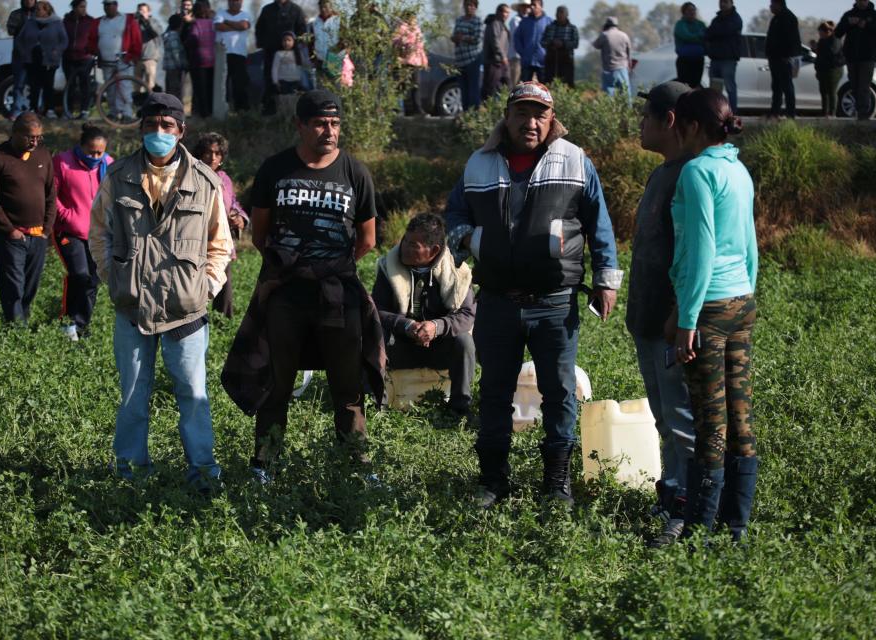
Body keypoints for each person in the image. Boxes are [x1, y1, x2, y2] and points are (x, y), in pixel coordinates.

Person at [445, 81, 623, 508]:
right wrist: (470, 239)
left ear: (551, 118)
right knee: (495, 393)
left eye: (540, 114)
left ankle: (556, 483)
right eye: (522, 113)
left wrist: (606, 279)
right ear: (507, 117)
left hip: (554, 301)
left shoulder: (575, 160)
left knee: (560, 393)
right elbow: (454, 212)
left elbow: (599, 223)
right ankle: (492, 481)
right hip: (498, 301)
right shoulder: (479, 164)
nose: (531, 122)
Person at [221, 90, 385, 484]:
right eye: (319, 123)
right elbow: (260, 235)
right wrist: (293, 267)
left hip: (337, 295)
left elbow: (367, 240)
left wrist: (328, 267)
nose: (329, 131)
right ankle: (265, 464)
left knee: (347, 387)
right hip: (285, 294)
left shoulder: (355, 172)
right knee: (276, 384)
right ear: (300, 125)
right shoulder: (276, 169)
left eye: (334, 123)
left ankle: (354, 466)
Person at [88, 93, 233, 487]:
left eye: (167, 126)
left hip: (186, 312)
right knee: (133, 396)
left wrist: (205, 287)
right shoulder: (118, 177)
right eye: (151, 125)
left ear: (181, 131)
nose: (158, 133)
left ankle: (202, 472)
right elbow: (98, 233)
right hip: (132, 308)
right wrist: (114, 278)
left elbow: (220, 244)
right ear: (141, 129)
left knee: (193, 394)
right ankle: (131, 472)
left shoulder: (205, 181)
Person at [669, 88, 758, 542]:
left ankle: (700, 532)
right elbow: (749, 243)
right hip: (741, 300)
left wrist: (688, 319)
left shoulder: (698, 171)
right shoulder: (737, 169)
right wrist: (748, 291)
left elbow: (701, 248)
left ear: (690, 127)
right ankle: (735, 526)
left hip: (708, 309)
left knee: (710, 421)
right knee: (739, 416)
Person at [627, 81, 697, 547]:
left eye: (646, 116)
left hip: (671, 328)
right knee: (663, 420)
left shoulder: (690, 176)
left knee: (681, 422)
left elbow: (695, 257)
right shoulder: (661, 173)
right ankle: (671, 495)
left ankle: (686, 512)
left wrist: (679, 318)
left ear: (669, 120)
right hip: (648, 324)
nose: (640, 124)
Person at [373, 214, 476, 418]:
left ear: (434, 250)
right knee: (373, 335)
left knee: (464, 341)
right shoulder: (388, 266)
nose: (405, 247)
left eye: (413, 245)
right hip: (400, 347)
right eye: (405, 241)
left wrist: (436, 327)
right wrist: (406, 325)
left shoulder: (458, 271)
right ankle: (376, 405)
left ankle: (459, 408)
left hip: (441, 349)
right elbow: (377, 308)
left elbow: (467, 314)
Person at [0, 112, 56, 323]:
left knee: (31, 285)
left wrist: (46, 230)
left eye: (38, 137)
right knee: (13, 285)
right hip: (12, 236)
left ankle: (22, 323)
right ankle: (15, 329)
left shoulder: (43, 155)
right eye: (30, 137)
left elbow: (51, 193)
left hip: (38, 235)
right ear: (15, 134)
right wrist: (10, 230)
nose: (35, 141)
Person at [52, 124, 113, 340]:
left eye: (100, 152)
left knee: (93, 280)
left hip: (97, 233)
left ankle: (81, 325)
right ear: (81, 146)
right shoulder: (62, 162)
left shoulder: (108, 165)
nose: (95, 156)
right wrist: (66, 215)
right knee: (79, 274)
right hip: (69, 231)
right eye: (91, 151)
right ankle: (67, 320)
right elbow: (52, 194)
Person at [193, 132, 249, 318]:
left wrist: (239, 218)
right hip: (195, 242)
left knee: (222, 290)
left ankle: (221, 325)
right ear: (200, 154)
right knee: (192, 291)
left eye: (218, 154)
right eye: (208, 152)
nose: (213, 157)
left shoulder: (224, 179)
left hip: (219, 244)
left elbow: (233, 204)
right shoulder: (190, 176)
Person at [835, 0, 876, 120]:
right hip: (851, 57)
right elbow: (837, 33)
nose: (861, 2)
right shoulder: (849, 15)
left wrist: (867, 25)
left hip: (868, 57)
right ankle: (858, 111)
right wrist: (848, 24)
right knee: (854, 85)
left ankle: (863, 116)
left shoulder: (875, 15)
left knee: (864, 86)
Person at [89, 0, 142, 121]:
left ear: (116, 5)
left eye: (109, 4)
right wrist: (96, 52)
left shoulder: (128, 20)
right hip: (106, 61)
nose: (107, 7)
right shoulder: (99, 22)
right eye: (105, 5)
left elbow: (136, 39)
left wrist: (133, 56)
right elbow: (91, 40)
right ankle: (113, 112)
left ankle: (127, 113)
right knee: (110, 88)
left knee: (125, 86)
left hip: (124, 61)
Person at [17, 0, 67, 118]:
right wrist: (23, 51)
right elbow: (20, 39)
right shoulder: (30, 23)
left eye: (39, 9)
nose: (37, 11)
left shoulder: (57, 23)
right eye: (36, 9)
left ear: (47, 10)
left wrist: (57, 51)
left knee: (48, 85)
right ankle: (33, 108)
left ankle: (49, 109)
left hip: (49, 60)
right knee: (34, 86)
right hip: (32, 59)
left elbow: (64, 41)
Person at [255, 0, 306, 115]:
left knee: (294, 86)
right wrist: (264, 43)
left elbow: (302, 31)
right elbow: (259, 29)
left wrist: (295, 45)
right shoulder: (267, 10)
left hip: (292, 55)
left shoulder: (296, 10)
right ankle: (270, 109)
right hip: (271, 52)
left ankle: (294, 112)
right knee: (271, 80)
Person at [765, 0, 801, 119]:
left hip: (784, 58)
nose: (770, 7)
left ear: (778, 4)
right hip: (774, 58)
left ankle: (790, 113)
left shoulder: (789, 18)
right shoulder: (775, 19)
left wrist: (788, 56)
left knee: (787, 86)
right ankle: (775, 111)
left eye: (772, 4)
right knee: (776, 87)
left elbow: (793, 40)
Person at [214, 0, 251, 112]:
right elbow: (218, 26)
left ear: (242, 2)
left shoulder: (245, 14)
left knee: (239, 83)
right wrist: (236, 26)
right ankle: (222, 110)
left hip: (239, 54)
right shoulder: (220, 13)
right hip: (223, 53)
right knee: (222, 84)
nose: (235, 3)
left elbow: (244, 26)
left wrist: (226, 21)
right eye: (232, 1)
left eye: (238, 1)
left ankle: (240, 110)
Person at [705, 0, 743, 112]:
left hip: (728, 59)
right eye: (721, 2)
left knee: (730, 88)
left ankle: (733, 114)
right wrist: (715, 33)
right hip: (715, 59)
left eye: (725, 2)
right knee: (715, 90)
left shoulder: (736, 19)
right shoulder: (716, 19)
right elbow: (707, 34)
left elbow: (724, 31)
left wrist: (715, 32)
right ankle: (715, 113)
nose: (722, 4)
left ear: (731, 3)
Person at [62, 0, 96, 119]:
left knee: (84, 84)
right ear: (75, 7)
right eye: (81, 7)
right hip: (68, 57)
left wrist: (93, 51)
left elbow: (95, 38)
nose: (84, 10)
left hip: (85, 58)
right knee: (70, 85)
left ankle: (84, 110)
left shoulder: (90, 21)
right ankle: (68, 110)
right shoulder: (66, 20)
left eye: (85, 7)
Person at [184, 0, 215, 118]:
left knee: (200, 89)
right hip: (212, 60)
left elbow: (193, 38)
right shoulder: (213, 23)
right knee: (210, 88)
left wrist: (186, 43)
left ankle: (204, 114)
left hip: (199, 60)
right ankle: (211, 112)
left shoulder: (196, 24)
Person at [6, 0, 37, 120]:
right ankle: (16, 111)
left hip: (36, 56)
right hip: (20, 55)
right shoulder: (16, 14)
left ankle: (35, 110)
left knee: (35, 85)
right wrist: (25, 24)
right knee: (18, 84)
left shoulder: (39, 13)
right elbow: (10, 30)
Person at [393, 10, 429, 112]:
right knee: (401, 86)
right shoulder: (401, 29)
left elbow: (420, 47)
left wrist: (424, 60)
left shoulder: (417, 30)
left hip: (415, 62)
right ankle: (399, 109)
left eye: (415, 19)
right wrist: (403, 42)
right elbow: (395, 42)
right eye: (413, 18)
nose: (414, 20)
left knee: (415, 85)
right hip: (404, 61)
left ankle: (417, 108)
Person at [452, 0, 483, 112]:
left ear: (475, 7)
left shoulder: (477, 21)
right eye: (467, 5)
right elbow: (454, 36)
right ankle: (465, 113)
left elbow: (477, 39)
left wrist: (463, 37)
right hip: (460, 60)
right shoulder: (459, 20)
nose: (469, 7)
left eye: (471, 5)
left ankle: (474, 112)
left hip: (473, 59)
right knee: (463, 89)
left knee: (473, 88)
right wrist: (457, 38)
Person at [592, 16, 632, 102]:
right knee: (626, 95)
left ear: (606, 25)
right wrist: (629, 67)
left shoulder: (604, 35)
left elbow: (595, 45)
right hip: (622, 69)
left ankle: (610, 114)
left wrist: (602, 32)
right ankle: (628, 113)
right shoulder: (624, 35)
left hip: (608, 70)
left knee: (608, 97)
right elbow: (629, 53)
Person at [514, 0, 552, 82]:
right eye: (531, 5)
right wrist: (522, 52)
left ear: (541, 7)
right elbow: (517, 38)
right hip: (527, 61)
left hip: (543, 61)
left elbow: (552, 40)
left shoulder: (549, 22)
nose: (532, 7)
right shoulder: (524, 22)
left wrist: (547, 54)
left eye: (534, 5)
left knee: (543, 88)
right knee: (525, 87)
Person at [540, 5, 578, 87]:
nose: (559, 15)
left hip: (567, 61)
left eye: (562, 13)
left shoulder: (572, 28)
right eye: (558, 13)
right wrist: (551, 43)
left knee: (567, 84)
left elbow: (575, 44)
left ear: (566, 15)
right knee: (548, 83)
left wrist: (563, 44)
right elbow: (542, 42)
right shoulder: (550, 27)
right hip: (551, 60)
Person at [814, 20, 845, 118]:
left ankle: (832, 113)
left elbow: (832, 53)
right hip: (822, 70)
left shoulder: (835, 39)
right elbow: (820, 55)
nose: (820, 35)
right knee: (823, 92)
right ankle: (824, 112)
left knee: (831, 91)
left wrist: (819, 48)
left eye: (821, 33)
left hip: (833, 70)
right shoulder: (822, 40)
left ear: (827, 32)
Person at [481, 4, 511, 100]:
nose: (505, 15)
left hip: (500, 63)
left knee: (504, 87)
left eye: (507, 13)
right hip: (493, 62)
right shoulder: (494, 23)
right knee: (491, 90)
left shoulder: (502, 24)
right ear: (498, 12)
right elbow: (495, 42)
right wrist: (503, 57)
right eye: (504, 12)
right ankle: (489, 111)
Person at [674, 2, 706, 88]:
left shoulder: (701, 24)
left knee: (695, 85)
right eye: (689, 10)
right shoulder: (680, 24)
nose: (692, 12)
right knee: (683, 85)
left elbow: (706, 37)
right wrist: (699, 36)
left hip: (698, 60)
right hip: (684, 60)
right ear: (684, 12)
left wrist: (697, 37)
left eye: (693, 10)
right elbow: (687, 36)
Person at [135, 3, 162, 92]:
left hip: (150, 58)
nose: (141, 13)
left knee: (150, 86)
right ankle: (138, 104)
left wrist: (147, 21)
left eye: (144, 11)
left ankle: (151, 104)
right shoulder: (135, 23)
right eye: (140, 10)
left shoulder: (154, 21)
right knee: (136, 86)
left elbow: (157, 32)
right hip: (137, 59)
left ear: (149, 12)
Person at [162, 14, 188, 103]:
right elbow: (176, 53)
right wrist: (183, 65)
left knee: (170, 91)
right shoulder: (174, 37)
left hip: (169, 68)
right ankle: (175, 112)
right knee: (176, 91)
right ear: (180, 25)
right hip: (175, 69)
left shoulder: (167, 35)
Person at [312, 0, 340, 73]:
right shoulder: (315, 22)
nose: (323, 9)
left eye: (325, 7)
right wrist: (313, 57)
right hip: (319, 60)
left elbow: (345, 40)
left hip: (334, 59)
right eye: (321, 7)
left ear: (331, 8)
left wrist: (339, 55)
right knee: (320, 83)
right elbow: (311, 40)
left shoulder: (338, 21)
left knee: (333, 83)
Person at [507, 2, 528, 85]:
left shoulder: (529, 21)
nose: (526, 8)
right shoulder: (515, 20)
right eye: (523, 6)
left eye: (527, 6)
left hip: (527, 58)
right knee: (515, 84)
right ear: (519, 8)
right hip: (516, 57)